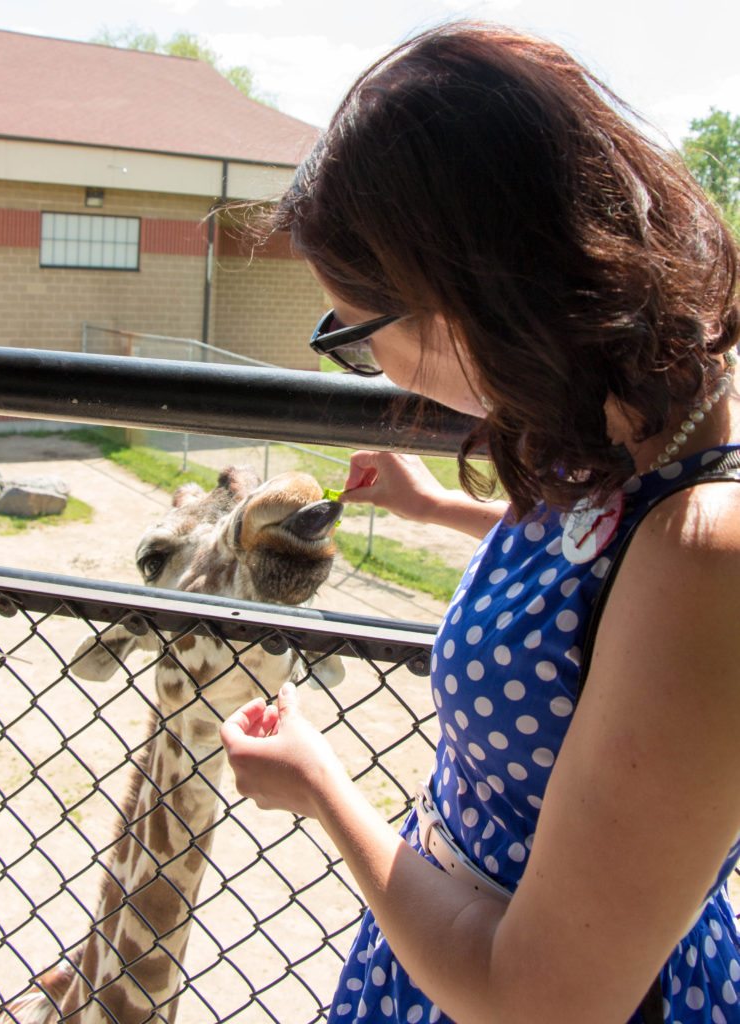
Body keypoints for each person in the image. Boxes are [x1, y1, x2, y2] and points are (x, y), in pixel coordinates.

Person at [219, 21, 740, 1024]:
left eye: (360, 339)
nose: (377, 376)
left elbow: (541, 999)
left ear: (465, 297)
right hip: (435, 948)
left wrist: (324, 786)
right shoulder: (631, 426)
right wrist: (436, 507)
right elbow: (590, 590)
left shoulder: (707, 555)